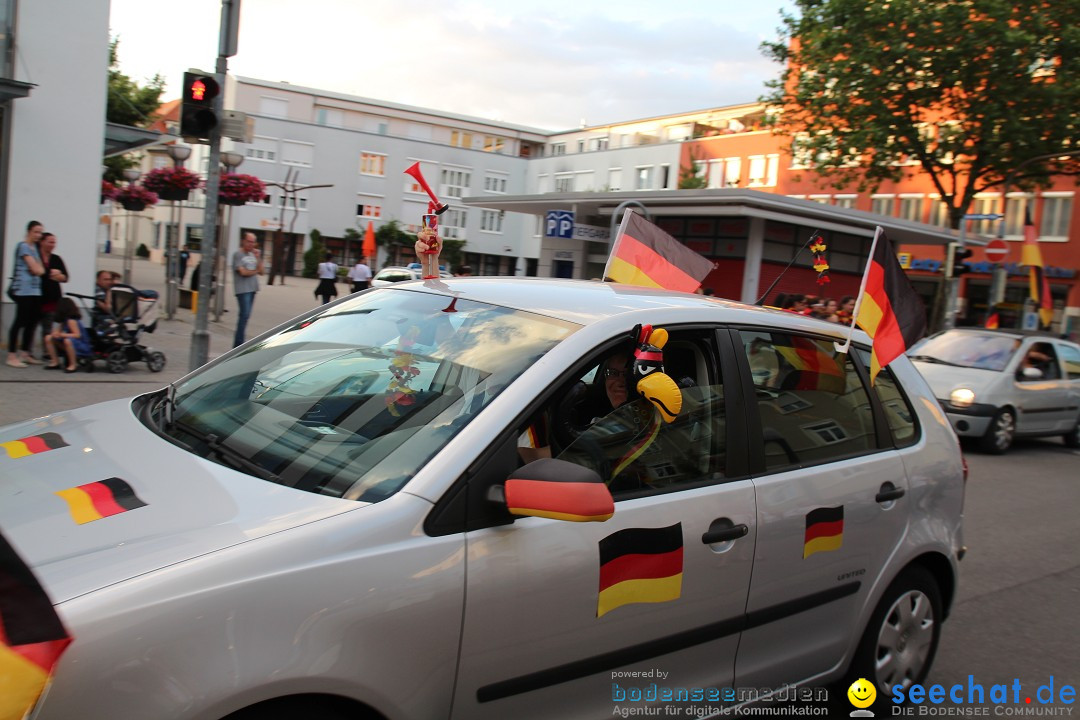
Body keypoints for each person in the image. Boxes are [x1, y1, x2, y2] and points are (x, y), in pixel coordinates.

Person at [6, 221, 46, 368]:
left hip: (35, 290)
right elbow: (36, 269)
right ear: (28, 231)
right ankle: (11, 356)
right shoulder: (23, 246)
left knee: (32, 322)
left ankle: (25, 353)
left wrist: (37, 268)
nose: (38, 235)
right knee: (20, 322)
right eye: (36, 232)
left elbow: (41, 270)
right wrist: (36, 268)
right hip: (23, 290)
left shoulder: (34, 248)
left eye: (40, 232)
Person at [37, 232, 69, 357]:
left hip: (52, 298)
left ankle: (47, 351)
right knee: (32, 325)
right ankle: (26, 352)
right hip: (36, 297)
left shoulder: (56, 259)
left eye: (54, 242)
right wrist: (52, 273)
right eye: (50, 242)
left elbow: (65, 277)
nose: (53, 245)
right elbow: (36, 272)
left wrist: (58, 275)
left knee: (48, 326)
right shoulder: (36, 257)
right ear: (42, 242)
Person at [232, 232, 264, 348]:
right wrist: (254, 272)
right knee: (244, 315)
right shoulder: (238, 255)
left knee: (246, 316)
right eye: (249, 241)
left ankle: (239, 341)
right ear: (243, 241)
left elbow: (262, 271)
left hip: (252, 288)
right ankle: (238, 343)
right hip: (242, 289)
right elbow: (243, 272)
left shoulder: (253, 254)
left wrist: (258, 258)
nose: (251, 244)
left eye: (253, 242)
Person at [43, 297, 90, 373]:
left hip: (81, 345)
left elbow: (77, 335)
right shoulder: (64, 321)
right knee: (48, 337)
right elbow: (57, 332)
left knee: (67, 340)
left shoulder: (72, 321)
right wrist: (55, 334)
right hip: (71, 343)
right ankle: (55, 362)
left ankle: (73, 365)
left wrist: (62, 335)